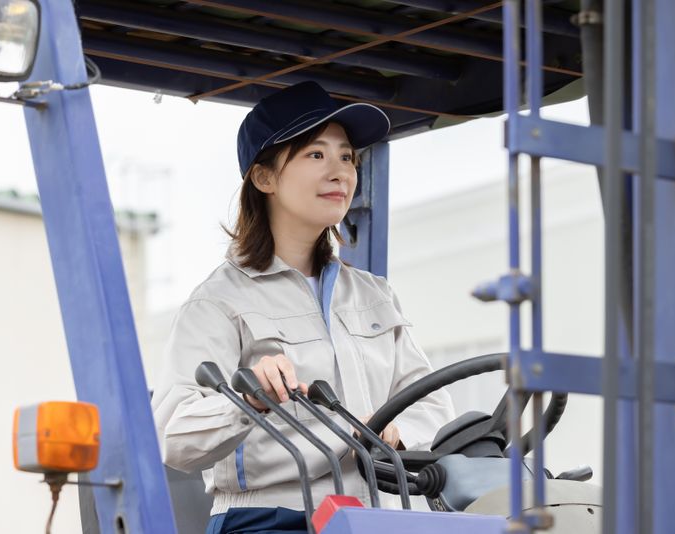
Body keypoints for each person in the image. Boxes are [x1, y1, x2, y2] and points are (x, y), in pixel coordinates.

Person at [151, 81, 454, 534]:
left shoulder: (375, 294)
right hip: (268, 520)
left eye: (347, 157)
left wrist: (396, 430)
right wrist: (248, 399)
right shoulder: (219, 301)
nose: (340, 172)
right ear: (264, 178)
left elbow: (433, 404)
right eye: (316, 154)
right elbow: (174, 436)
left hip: (373, 517)